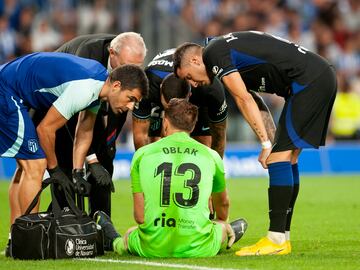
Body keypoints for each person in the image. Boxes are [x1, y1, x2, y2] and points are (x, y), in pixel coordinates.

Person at [174, 31, 337, 256]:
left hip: (307, 82)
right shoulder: (225, 51)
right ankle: (283, 238)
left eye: (188, 77)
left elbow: (243, 99)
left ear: (195, 60)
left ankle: (276, 239)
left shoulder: (213, 53)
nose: (193, 84)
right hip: (316, 77)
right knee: (288, 158)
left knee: (278, 158)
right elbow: (255, 99)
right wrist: (270, 138)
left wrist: (265, 144)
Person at [1, 52, 148, 256]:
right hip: (6, 89)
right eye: (130, 98)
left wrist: (77, 172)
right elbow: (45, 130)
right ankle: (29, 241)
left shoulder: (98, 86)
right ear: (116, 86)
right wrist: (55, 170)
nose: (130, 107)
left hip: (12, 86)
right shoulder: (85, 89)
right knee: (35, 165)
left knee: (25, 167)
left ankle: (16, 239)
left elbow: (84, 131)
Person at [94, 98, 248, 257]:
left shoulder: (142, 154)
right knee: (221, 228)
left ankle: (113, 240)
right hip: (200, 248)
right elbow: (223, 203)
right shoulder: (211, 155)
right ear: (193, 126)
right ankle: (230, 231)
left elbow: (140, 217)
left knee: (130, 234)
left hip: (153, 248)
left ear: (165, 122)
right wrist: (221, 222)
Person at [32, 32, 147, 217]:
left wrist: (106, 151)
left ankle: (102, 224)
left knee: (105, 159)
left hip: (86, 106)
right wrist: (90, 158)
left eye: (137, 67)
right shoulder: (88, 57)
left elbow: (119, 109)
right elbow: (75, 115)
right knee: (66, 159)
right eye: (127, 66)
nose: (132, 73)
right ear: (112, 53)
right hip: (54, 105)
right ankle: (66, 219)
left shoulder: (125, 71)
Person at [133, 48, 275, 158]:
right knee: (154, 142)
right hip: (159, 86)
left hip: (199, 98)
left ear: (189, 95)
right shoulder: (147, 84)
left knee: (205, 144)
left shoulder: (210, 88)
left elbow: (219, 137)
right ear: (160, 92)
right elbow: (140, 136)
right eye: (168, 109)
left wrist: (214, 175)